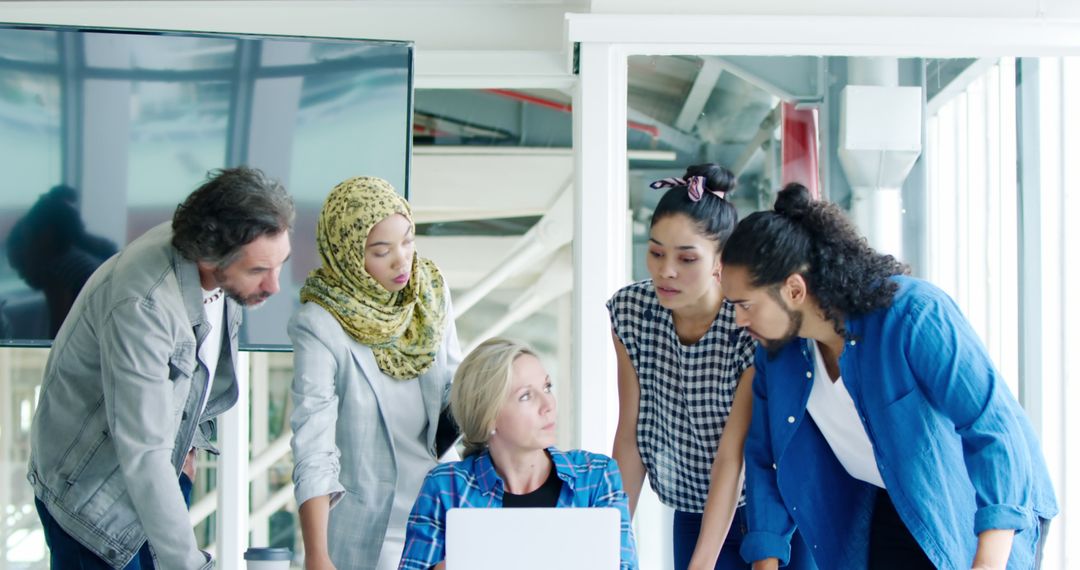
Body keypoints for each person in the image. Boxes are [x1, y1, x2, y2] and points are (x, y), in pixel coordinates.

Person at [720, 183, 1058, 569]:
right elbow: (763, 460)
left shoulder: (914, 315)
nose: (738, 320)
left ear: (794, 289)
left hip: (974, 503)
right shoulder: (776, 356)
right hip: (883, 505)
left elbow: (993, 427)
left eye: (745, 305)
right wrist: (766, 562)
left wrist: (988, 563)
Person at [27, 166, 295, 569]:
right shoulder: (143, 302)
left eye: (280, 264)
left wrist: (186, 445)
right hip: (92, 497)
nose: (274, 285)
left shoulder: (217, 264)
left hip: (157, 475)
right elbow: (143, 450)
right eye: (258, 270)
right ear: (208, 254)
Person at [607, 164, 813, 570]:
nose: (666, 270)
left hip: (771, 508)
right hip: (694, 507)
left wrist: (701, 564)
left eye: (686, 258)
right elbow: (630, 436)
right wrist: (609, 540)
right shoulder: (630, 312)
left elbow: (731, 455)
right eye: (655, 252)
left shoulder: (746, 322)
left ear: (721, 261)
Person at [289, 176, 462, 570]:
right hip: (364, 534)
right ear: (348, 255)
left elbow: (456, 388)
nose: (402, 260)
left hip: (438, 521)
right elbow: (313, 444)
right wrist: (317, 555)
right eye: (381, 251)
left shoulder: (430, 289)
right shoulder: (320, 323)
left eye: (408, 240)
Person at [399, 338, 638, 570]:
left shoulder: (597, 476)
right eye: (526, 396)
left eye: (547, 387)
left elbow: (624, 566)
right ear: (489, 416)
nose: (548, 404)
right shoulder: (445, 486)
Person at [6, 184, 118, 337]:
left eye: (22, 265)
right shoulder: (81, 258)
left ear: (45, 236)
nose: (23, 276)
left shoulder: (56, 271)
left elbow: (59, 336)